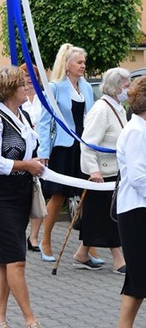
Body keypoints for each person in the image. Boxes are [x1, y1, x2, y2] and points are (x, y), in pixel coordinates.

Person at [0, 67, 45, 328]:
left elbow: (28, 150)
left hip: (19, 194)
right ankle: (30, 319)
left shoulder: (22, 115)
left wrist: (35, 163)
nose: (27, 88)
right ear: (8, 90)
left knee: (5, 260)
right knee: (16, 261)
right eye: (22, 85)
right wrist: (26, 165)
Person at [35, 44, 94, 263]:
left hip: (83, 146)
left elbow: (91, 116)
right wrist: (43, 151)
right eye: (79, 62)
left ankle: (89, 246)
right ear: (67, 65)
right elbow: (44, 122)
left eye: (83, 62)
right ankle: (45, 241)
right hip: (63, 148)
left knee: (87, 196)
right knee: (58, 195)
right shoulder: (55, 87)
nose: (83, 66)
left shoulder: (86, 87)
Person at [73, 67, 129, 273]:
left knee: (95, 216)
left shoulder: (119, 107)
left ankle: (81, 253)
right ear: (115, 88)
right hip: (101, 173)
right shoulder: (101, 109)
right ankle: (118, 258)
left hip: (115, 170)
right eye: (125, 86)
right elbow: (88, 143)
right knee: (108, 216)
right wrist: (93, 170)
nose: (128, 90)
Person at [116, 76, 146, 328]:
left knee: (138, 280)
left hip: (138, 208)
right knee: (138, 279)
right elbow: (138, 178)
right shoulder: (136, 131)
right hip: (137, 210)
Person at [21, 63, 44, 252]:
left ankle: (34, 236)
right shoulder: (17, 98)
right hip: (22, 150)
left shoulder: (43, 97)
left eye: (33, 74)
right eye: (26, 74)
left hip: (41, 149)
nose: (29, 77)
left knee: (39, 193)